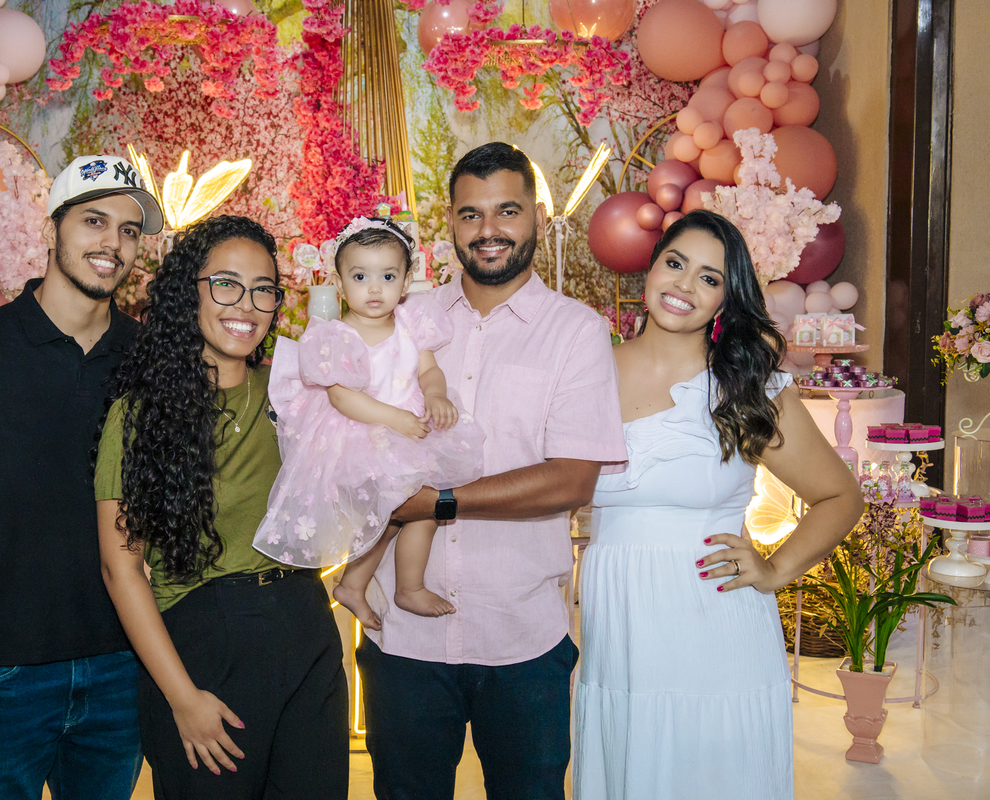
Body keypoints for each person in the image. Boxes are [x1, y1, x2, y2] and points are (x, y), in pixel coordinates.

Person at [356, 142, 630, 800]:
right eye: (471, 214)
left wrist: (438, 501)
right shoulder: (404, 321)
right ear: (449, 221)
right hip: (404, 642)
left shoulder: (576, 331)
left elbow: (572, 480)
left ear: (536, 215)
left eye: (507, 210)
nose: (489, 229)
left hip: (522, 641)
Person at [573, 209, 865, 799]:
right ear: (651, 267)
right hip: (620, 630)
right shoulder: (586, 372)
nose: (684, 285)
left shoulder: (746, 388)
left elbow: (841, 497)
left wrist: (776, 568)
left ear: (726, 299)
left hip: (716, 626)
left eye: (709, 278)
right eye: (676, 263)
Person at [0, 154, 164, 799]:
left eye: (129, 230)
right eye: (94, 221)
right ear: (52, 229)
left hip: (119, 667)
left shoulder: (148, 358)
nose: (113, 242)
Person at [95, 215, 348, 799]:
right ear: (190, 292)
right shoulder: (139, 414)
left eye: (263, 289)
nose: (247, 306)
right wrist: (181, 697)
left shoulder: (294, 391)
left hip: (305, 626)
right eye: (227, 284)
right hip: (203, 645)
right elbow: (119, 568)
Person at [253, 216, 484, 625]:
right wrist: (394, 418)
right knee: (389, 512)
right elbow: (342, 397)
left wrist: (436, 395)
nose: (374, 289)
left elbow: (429, 370)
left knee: (426, 508)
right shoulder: (337, 335)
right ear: (340, 284)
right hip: (360, 435)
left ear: (406, 281)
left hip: (407, 431)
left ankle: (388, 586)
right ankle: (374, 585)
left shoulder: (411, 325)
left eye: (387, 276)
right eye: (360, 277)